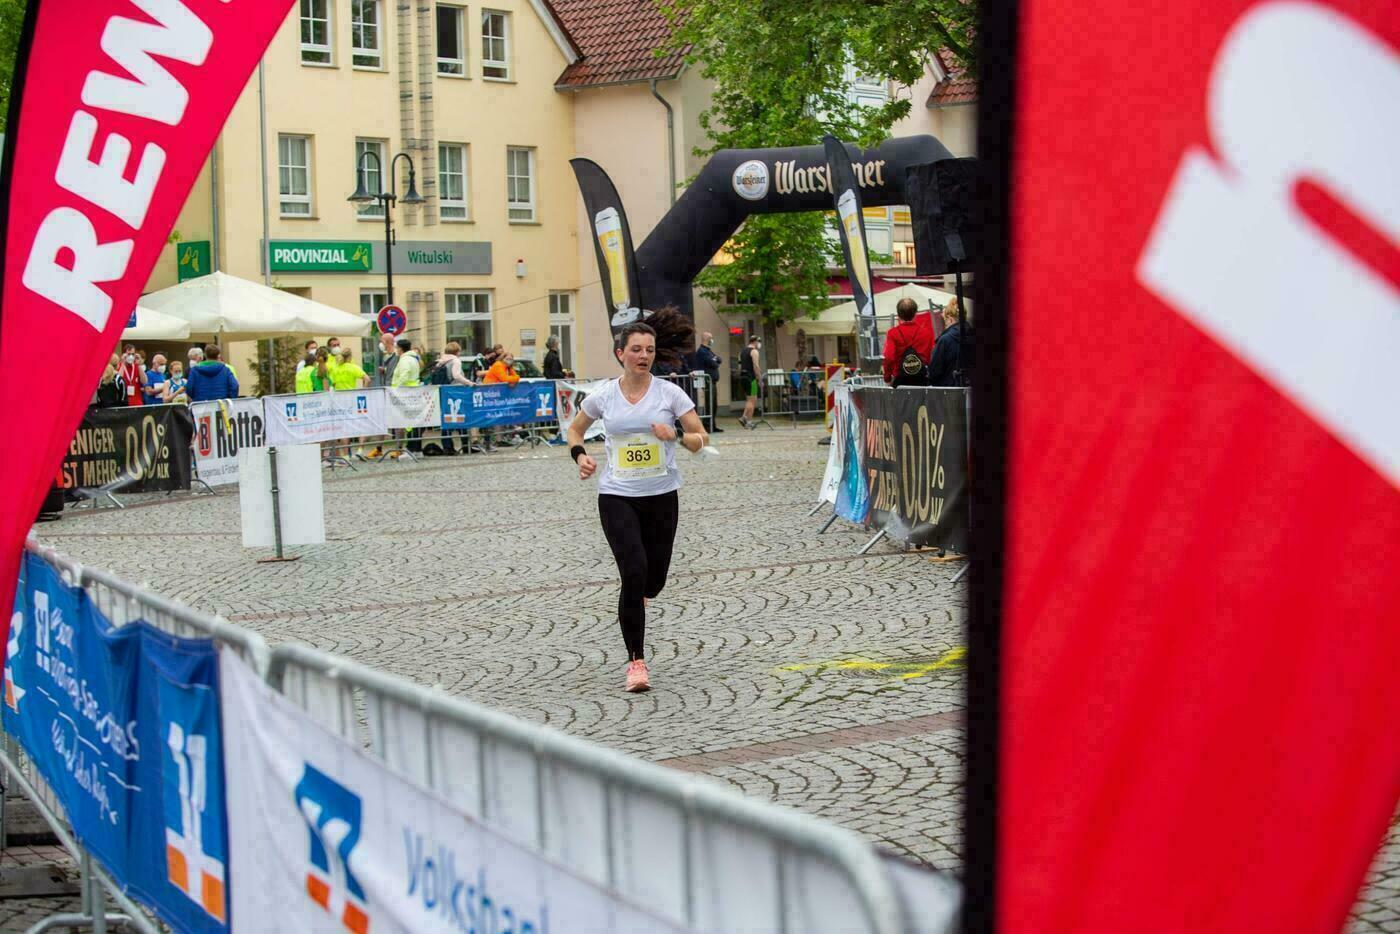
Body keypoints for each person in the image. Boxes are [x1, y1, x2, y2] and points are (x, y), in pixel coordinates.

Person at [566, 308, 707, 693]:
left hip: (661, 495)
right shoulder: (604, 396)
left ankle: (640, 596)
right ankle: (636, 662)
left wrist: (676, 435)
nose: (643, 356)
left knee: (653, 580)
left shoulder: (670, 394)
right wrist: (581, 456)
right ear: (620, 353)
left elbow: (701, 438)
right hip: (617, 495)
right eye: (636, 349)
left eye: (649, 350)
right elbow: (575, 430)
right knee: (633, 571)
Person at [881, 297, 935, 387]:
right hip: (921, 380)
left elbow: (889, 358)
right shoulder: (926, 333)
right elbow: (931, 357)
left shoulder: (892, 333)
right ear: (915, 313)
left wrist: (887, 378)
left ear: (898, 314)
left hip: (900, 381)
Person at [927, 298, 971, 387]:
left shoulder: (945, 340)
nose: (945, 325)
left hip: (947, 390)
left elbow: (934, 371)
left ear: (950, 319)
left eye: (945, 322)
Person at [390, 337, 422, 455]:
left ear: (400, 348)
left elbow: (403, 377)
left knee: (408, 422)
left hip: (404, 394)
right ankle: (416, 449)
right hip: (412, 392)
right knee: (413, 422)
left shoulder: (405, 360)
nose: (396, 350)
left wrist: (396, 390)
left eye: (397, 348)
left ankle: (411, 449)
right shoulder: (413, 358)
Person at [686, 331, 723, 432]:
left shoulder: (708, 351)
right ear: (707, 339)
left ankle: (712, 425)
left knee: (713, 404)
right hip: (707, 380)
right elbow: (714, 363)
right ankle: (707, 425)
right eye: (711, 338)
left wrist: (716, 360)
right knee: (709, 403)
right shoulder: (702, 351)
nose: (712, 340)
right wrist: (715, 360)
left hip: (712, 380)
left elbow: (719, 360)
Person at [738, 335, 761, 428]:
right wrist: (759, 378)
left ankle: (746, 419)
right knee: (752, 400)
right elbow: (756, 366)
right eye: (759, 342)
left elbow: (739, 365)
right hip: (751, 377)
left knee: (749, 399)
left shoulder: (742, 351)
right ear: (755, 342)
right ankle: (746, 419)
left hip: (743, 376)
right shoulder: (754, 351)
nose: (759, 344)